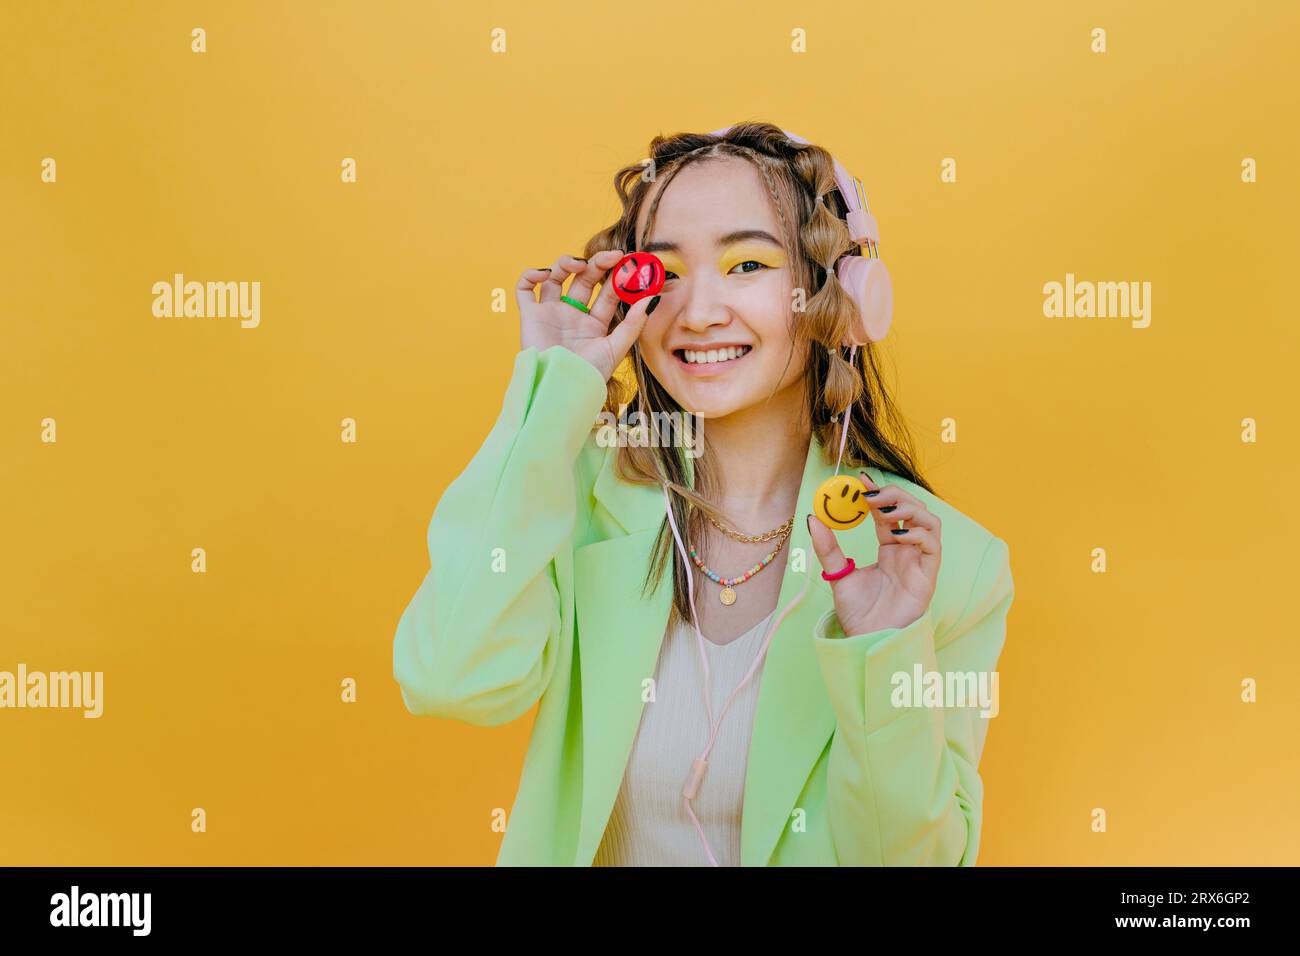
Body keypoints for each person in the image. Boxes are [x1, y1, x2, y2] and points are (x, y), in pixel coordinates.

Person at [393, 121, 1015, 866]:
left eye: (746, 263)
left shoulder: (951, 567)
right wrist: (552, 397)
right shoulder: (579, 497)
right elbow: (452, 680)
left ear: (842, 294)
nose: (697, 312)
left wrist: (881, 653)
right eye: (664, 274)